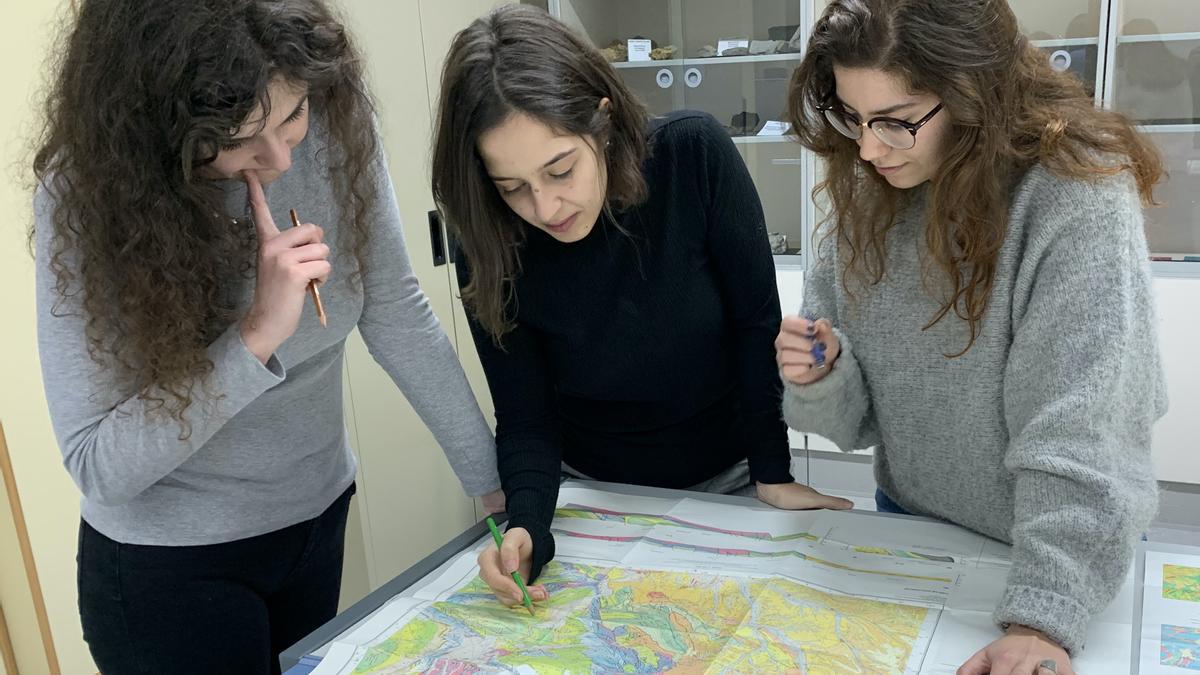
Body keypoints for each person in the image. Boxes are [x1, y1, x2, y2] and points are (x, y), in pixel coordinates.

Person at [32, 0, 501, 671]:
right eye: (239, 138)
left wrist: (491, 483)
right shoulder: (87, 191)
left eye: (292, 116)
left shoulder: (329, 114)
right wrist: (254, 337)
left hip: (316, 521)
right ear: (165, 122)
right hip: (170, 570)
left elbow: (395, 306)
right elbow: (98, 463)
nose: (281, 157)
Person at [775, 1, 1166, 673]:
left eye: (897, 121)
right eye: (854, 117)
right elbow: (854, 425)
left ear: (974, 92)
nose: (868, 149)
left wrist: (1041, 620)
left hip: (1048, 550)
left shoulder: (1074, 195)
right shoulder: (869, 189)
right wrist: (823, 374)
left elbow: (1083, 432)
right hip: (912, 524)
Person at [431, 4, 852, 608]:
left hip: (727, 478)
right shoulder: (489, 238)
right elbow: (527, 414)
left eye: (560, 169)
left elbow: (753, 324)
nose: (546, 208)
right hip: (592, 498)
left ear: (601, 122)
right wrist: (528, 525)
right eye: (513, 188)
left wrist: (772, 472)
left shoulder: (691, 156)